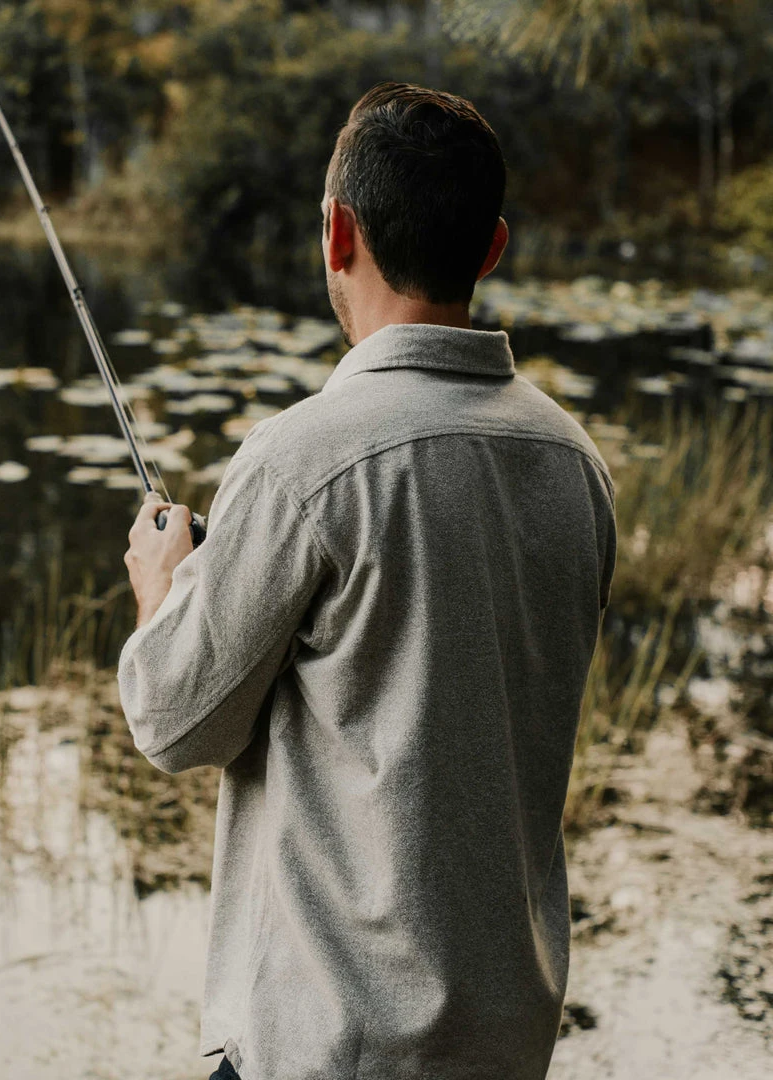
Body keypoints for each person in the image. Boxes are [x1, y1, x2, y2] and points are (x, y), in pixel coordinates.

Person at [118, 83, 616, 1080]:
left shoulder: (304, 461)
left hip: (327, 1053)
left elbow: (175, 723)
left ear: (337, 231)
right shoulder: (577, 464)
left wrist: (168, 592)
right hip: (502, 1051)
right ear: (491, 248)